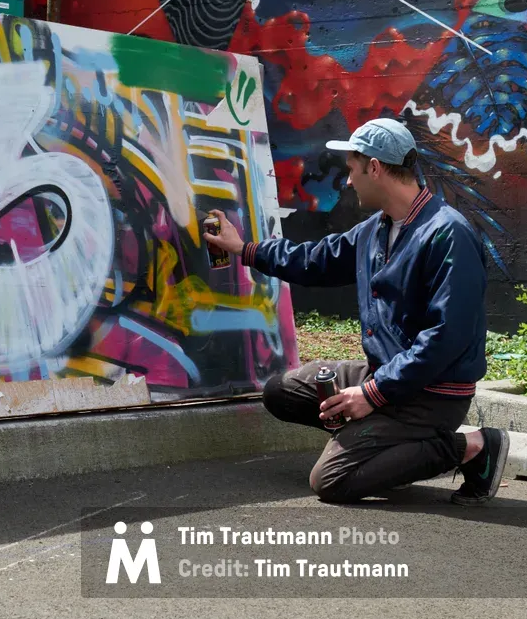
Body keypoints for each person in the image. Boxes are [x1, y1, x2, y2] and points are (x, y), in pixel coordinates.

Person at [204, 117, 509, 506]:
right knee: (282, 392)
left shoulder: (448, 234)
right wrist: (245, 249)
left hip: (431, 394)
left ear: (375, 168)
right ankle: (387, 450)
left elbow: (446, 338)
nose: (348, 181)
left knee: (331, 481)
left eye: (352, 169)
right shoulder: (377, 229)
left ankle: (473, 447)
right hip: (388, 375)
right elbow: (316, 261)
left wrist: (372, 394)